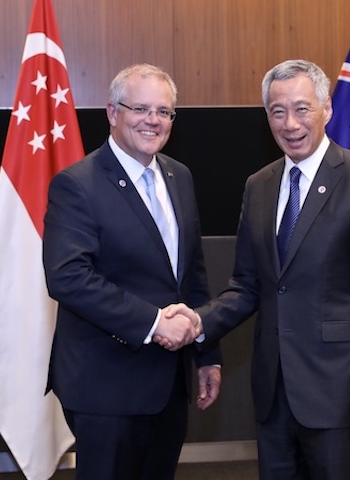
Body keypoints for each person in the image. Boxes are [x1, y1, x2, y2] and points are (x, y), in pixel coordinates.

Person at [165, 59, 350, 479]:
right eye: (278, 111)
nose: (290, 123)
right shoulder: (260, 185)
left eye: (302, 108)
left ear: (326, 109)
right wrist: (198, 321)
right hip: (274, 394)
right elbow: (248, 285)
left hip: (338, 394)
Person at [42, 63, 222, 480]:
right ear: (111, 112)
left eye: (164, 111)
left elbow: (191, 273)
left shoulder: (180, 176)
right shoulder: (77, 184)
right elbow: (67, 277)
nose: (153, 121)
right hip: (105, 386)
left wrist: (206, 352)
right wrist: (154, 321)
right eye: (140, 108)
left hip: (168, 385)